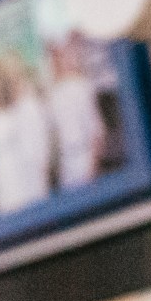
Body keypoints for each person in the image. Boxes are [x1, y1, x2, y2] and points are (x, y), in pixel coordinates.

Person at [0, 61, 55, 217]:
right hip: (2, 184)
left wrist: (39, 184)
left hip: (21, 181)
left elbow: (32, 153)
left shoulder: (16, 114)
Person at [47, 39, 107, 189]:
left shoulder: (82, 86)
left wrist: (92, 165)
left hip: (84, 155)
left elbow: (96, 131)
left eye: (61, 55)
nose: (58, 61)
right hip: (66, 161)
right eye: (54, 56)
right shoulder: (54, 93)